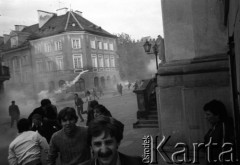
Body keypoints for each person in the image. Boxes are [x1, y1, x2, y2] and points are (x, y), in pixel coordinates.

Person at [80, 116, 144, 165]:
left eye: (108, 143)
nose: (104, 150)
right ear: (91, 146)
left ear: (118, 142)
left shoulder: (138, 163)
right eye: (98, 144)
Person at [203, 100, 234, 165]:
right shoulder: (215, 126)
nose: (206, 117)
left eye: (208, 114)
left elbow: (225, 149)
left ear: (217, 114)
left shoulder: (224, 126)